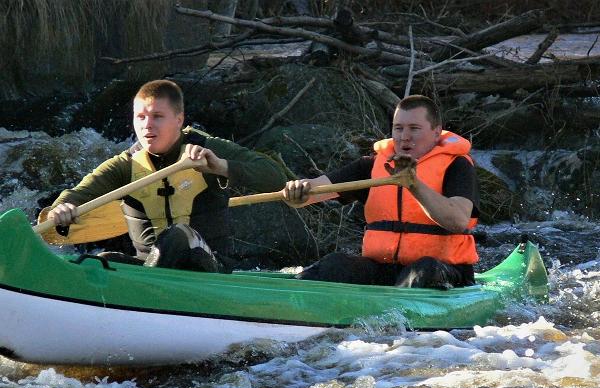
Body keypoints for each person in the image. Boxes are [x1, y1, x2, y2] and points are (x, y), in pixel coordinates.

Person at [48, 79, 287, 272]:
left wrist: (221, 167)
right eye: (140, 117)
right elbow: (77, 194)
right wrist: (61, 208)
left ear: (179, 120)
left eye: (157, 117)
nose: (147, 126)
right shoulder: (125, 165)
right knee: (100, 261)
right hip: (148, 266)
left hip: (210, 266)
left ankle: (149, 288)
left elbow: (274, 176)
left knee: (177, 235)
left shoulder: (206, 149)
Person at [283, 95, 479, 289]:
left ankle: (398, 312)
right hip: (383, 270)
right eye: (398, 128)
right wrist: (297, 192)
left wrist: (413, 185)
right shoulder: (371, 166)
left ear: (436, 133)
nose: (405, 136)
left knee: (423, 270)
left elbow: (458, 221)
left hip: (443, 270)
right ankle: (292, 297)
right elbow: (314, 190)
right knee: (335, 264)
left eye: (414, 129)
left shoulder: (457, 165)